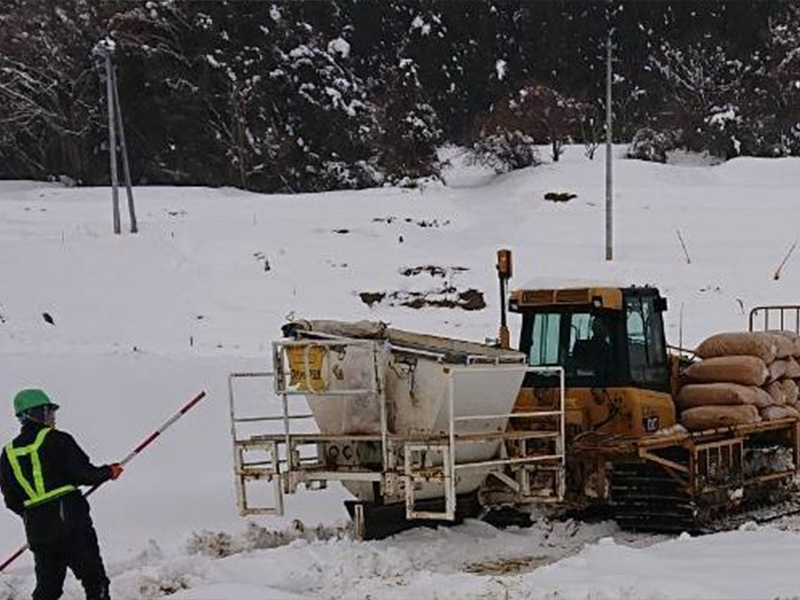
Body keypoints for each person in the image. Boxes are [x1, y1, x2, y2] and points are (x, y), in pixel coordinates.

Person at [0, 389, 123, 600]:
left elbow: (11, 501)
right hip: (72, 526)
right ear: (36, 413)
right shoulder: (58, 439)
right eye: (49, 411)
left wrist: (36, 514)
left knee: (47, 591)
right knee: (95, 581)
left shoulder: (7, 453)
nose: (53, 417)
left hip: (38, 531)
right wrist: (108, 472)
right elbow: (84, 474)